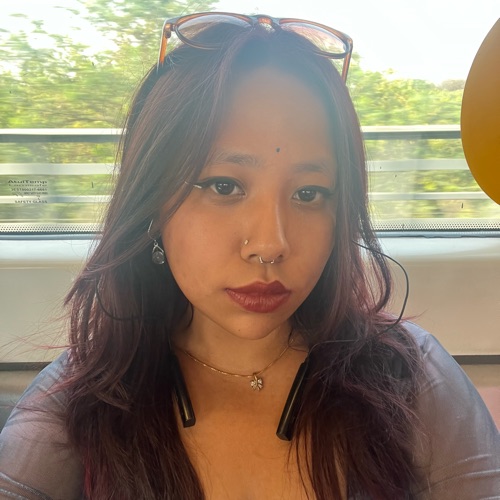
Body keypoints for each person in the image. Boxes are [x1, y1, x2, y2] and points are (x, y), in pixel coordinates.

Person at [0, 12, 499, 500]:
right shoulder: (77, 406)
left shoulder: (412, 379)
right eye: (224, 186)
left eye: (309, 194)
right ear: (151, 202)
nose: (271, 244)